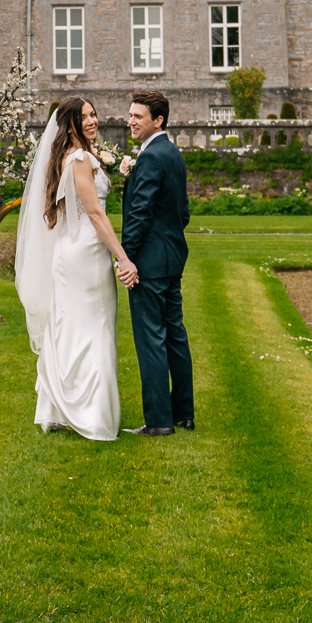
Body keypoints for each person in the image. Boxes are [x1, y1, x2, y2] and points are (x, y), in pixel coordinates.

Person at [13, 96, 137, 440]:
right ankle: (94, 417)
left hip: (72, 251)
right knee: (94, 328)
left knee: (70, 326)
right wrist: (123, 257)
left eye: (94, 114)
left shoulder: (70, 157)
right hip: (86, 253)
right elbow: (96, 214)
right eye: (85, 117)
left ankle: (57, 407)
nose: (93, 121)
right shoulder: (80, 158)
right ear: (70, 124)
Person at [119, 90, 193, 436]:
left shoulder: (150, 157)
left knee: (151, 338)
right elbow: (184, 214)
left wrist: (125, 257)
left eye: (138, 116)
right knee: (175, 335)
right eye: (130, 115)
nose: (130, 121)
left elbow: (139, 213)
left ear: (157, 121)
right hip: (173, 257)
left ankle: (159, 421)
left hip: (149, 262)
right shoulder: (172, 152)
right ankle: (182, 413)